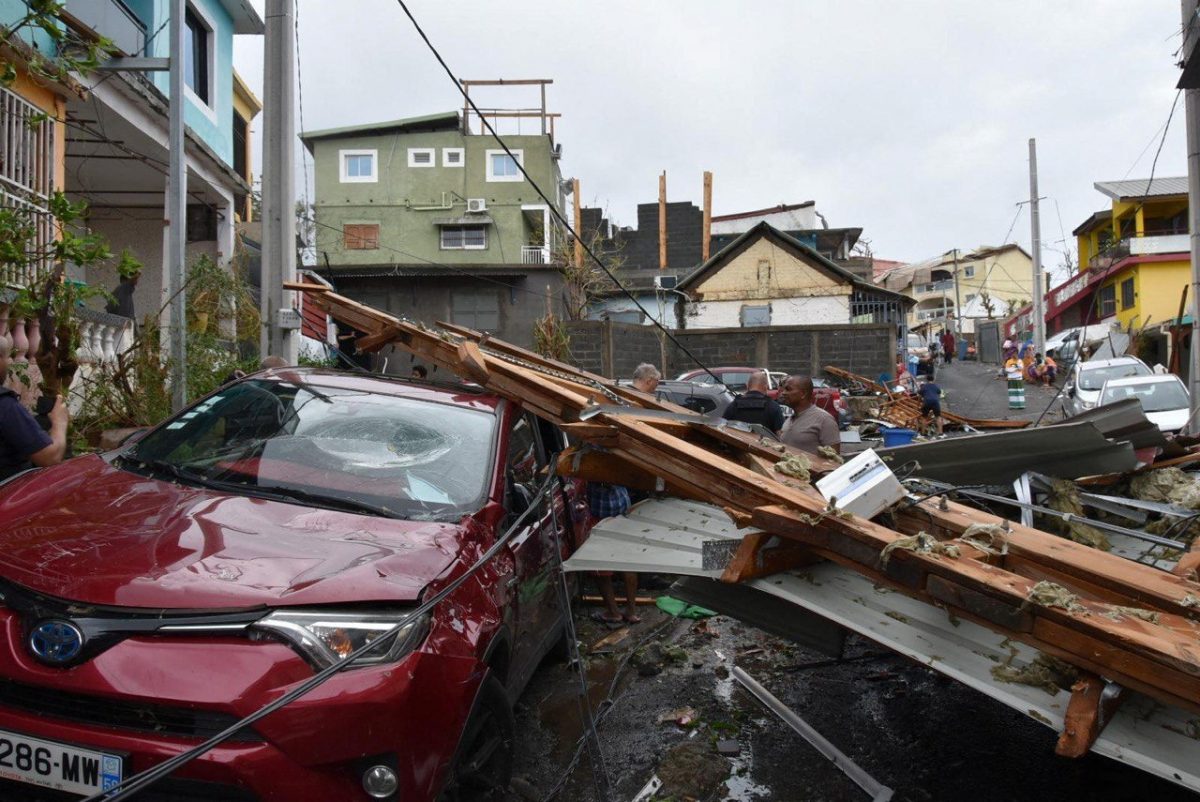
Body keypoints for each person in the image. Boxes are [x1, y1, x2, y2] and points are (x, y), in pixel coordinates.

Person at [589, 362, 661, 626]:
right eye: (657, 383)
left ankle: (613, 612)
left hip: (603, 496)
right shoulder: (634, 405)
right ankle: (630, 611)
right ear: (651, 381)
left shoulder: (615, 405)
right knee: (626, 556)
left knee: (600, 560)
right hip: (620, 494)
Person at [0, 332, 68, 481]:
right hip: (12, 496)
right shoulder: (5, 406)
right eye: (6, 357)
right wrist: (59, 423)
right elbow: (50, 457)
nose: (9, 362)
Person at [778, 375, 840, 455]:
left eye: (788, 389)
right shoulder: (788, 421)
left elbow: (834, 461)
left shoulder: (824, 420)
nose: (783, 393)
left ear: (803, 394)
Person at [722, 370, 784, 435]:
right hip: (764, 444)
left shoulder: (733, 405)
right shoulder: (773, 407)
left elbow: (722, 429)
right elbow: (780, 435)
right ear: (766, 387)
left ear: (747, 385)